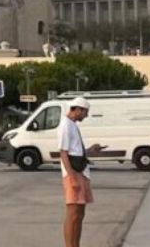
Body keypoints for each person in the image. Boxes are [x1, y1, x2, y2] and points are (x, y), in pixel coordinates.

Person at [59, 97, 103, 247]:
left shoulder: (72, 125)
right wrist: (72, 178)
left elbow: (75, 151)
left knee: (79, 214)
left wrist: (89, 150)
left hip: (80, 171)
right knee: (73, 214)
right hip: (74, 173)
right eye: (85, 112)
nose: (86, 116)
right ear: (77, 109)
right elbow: (63, 153)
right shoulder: (65, 125)